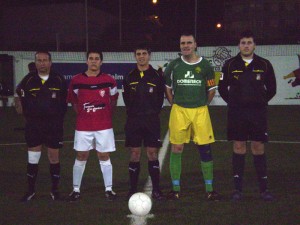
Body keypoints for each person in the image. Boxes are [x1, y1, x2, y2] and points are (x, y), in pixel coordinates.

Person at [218, 30, 277, 201]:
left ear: (254, 45)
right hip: (237, 114)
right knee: (238, 147)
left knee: (258, 147)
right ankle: (237, 189)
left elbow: (272, 88)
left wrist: (260, 102)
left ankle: (264, 189)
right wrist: (233, 102)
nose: (246, 45)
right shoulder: (229, 64)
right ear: (239, 45)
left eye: (249, 42)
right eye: (243, 42)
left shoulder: (265, 64)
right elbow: (222, 88)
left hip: (258, 114)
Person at [164, 33, 221, 201]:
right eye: (183, 43)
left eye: (189, 42)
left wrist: (203, 104)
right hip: (179, 110)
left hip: (200, 111)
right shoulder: (173, 65)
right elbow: (167, 87)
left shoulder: (206, 66)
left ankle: (210, 189)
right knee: (176, 148)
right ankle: (175, 189)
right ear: (180, 45)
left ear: (195, 44)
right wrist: (174, 103)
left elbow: (211, 90)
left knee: (204, 148)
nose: (186, 46)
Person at [67, 50, 119, 202]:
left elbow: (114, 99)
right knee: (81, 155)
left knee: (104, 155)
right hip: (83, 126)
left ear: (101, 62)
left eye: (97, 59)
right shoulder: (76, 80)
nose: (94, 61)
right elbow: (73, 101)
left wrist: (107, 115)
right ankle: (76, 189)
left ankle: (109, 189)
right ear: (87, 61)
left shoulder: (109, 80)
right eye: (91, 59)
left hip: (104, 125)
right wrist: (83, 115)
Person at [16, 51, 68, 201]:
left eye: (45, 60)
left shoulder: (59, 79)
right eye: (39, 60)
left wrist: (57, 118)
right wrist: (22, 109)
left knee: (54, 157)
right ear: (36, 62)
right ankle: (31, 190)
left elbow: (64, 102)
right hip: (34, 126)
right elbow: (18, 93)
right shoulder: (28, 80)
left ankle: (55, 190)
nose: (42, 63)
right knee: (33, 158)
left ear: (50, 62)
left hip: (53, 126)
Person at [122, 44, 165, 200]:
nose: (141, 56)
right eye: (138, 53)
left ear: (149, 55)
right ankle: (132, 189)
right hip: (133, 120)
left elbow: (160, 99)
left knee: (152, 154)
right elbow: (127, 99)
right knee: (134, 154)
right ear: (135, 56)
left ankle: (157, 189)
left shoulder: (157, 76)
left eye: (144, 53)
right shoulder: (129, 76)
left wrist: (151, 113)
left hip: (151, 120)